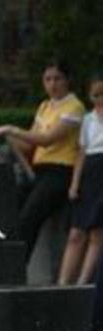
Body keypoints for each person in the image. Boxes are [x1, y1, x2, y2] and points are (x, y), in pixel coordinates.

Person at [0, 61, 85, 266]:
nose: (53, 84)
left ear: (68, 81)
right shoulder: (45, 106)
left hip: (61, 171)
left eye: (58, 79)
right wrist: (2, 141)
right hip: (39, 171)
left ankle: (16, 267)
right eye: (48, 79)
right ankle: (2, 263)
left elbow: (47, 139)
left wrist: (10, 129)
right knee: (10, 209)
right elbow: (30, 142)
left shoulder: (75, 107)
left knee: (30, 217)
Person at [60, 77, 103, 285]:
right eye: (96, 95)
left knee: (97, 233)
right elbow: (82, 152)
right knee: (76, 232)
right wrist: (75, 183)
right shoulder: (88, 120)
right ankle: (63, 283)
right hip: (90, 172)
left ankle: (83, 283)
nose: (100, 100)